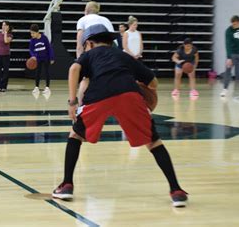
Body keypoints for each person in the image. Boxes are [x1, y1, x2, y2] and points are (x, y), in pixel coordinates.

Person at [52, 24, 188, 208]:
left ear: (90, 43)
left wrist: (72, 102)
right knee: (153, 142)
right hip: (129, 93)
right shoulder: (123, 55)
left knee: (76, 135)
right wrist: (143, 88)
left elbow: (73, 69)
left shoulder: (90, 54)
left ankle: (67, 185)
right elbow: (154, 83)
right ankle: (176, 191)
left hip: (99, 93)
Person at [75, 1, 114, 105]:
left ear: (86, 10)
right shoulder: (106, 20)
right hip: (111, 53)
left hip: (94, 50)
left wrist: (79, 60)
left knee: (85, 78)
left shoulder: (83, 19)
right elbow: (114, 41)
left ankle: (81, 106)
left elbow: (79, 42)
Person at [29, 24, 54, 94]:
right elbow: (31, 49)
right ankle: (36, 87)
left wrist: (51, 57)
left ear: (37, 32)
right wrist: (33, 55)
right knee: (37, 73)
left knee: (47, 72)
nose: (32, 35)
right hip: (38, 59)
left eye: (33, 33)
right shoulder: (32, 40)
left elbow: (49, 48)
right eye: (31, 33)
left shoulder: (44, 38)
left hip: (46, 58)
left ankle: (47, 88)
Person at [221, 15, 239, 97]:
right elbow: (228, 44)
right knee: (228, 71)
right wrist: (229, 57)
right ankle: (225, 89)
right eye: (232, 24)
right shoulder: (229, 31)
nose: (233, 26)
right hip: (233, 54)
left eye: (235, 24)